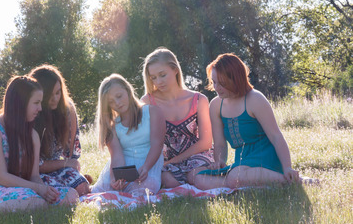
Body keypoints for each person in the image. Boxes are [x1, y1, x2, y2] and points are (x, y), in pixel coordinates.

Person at [0, 76, 79, 214]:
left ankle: (35, 204)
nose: (40, 108)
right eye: (36, 102)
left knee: (71, 195)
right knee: (35, 203)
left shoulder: (32, 135)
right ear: (20, 103)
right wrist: (38, 190)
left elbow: (34, 177)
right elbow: (1, 177)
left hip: (22, 188)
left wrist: (46, 192)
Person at [194, 53, 300, 190]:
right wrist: (219, 161)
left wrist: (287, 167)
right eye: (214, 82)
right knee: (199, 179)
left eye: (222, 83)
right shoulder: (215, 105)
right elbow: (220, 143)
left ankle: (290, 181)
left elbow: (276, 136)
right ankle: (251, 185)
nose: (217, 87)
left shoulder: (255, 99)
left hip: (266, 158)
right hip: (242, 164)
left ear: (236, 79)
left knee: (234, 177)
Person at [141, 47, 213, 188]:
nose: (158, 81)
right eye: (153, 78)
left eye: (162, 75)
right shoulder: (147, 102)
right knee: (169, 182)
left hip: (196, 156)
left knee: (197, 178)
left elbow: (206, 142)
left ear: (175, 70)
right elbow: (143, 140)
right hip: (164, 161)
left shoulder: (199, 99)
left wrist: (175, 161)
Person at [91, 74, 166, 196]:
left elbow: (157, 144)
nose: (117, 103)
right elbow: (116, 155)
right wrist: (115, 177)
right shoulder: (113, 124)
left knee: (144, 191)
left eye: (119, 96)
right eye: (111, 102)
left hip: (149, 162)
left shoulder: (152, 112)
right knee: (105, 190)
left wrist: (146, 167)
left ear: (127, 90)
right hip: (124, 167)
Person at [28, 65, 90, 196]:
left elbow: (72, 154)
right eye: (50, 95)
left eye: (58, 92)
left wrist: (72, 169)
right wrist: (66, 163)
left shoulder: (67, 109)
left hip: (60, 167)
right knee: (59, 194)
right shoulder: (31, 114)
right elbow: (36, 166)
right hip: (34, 173)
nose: (55, 98)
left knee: (82, 188)